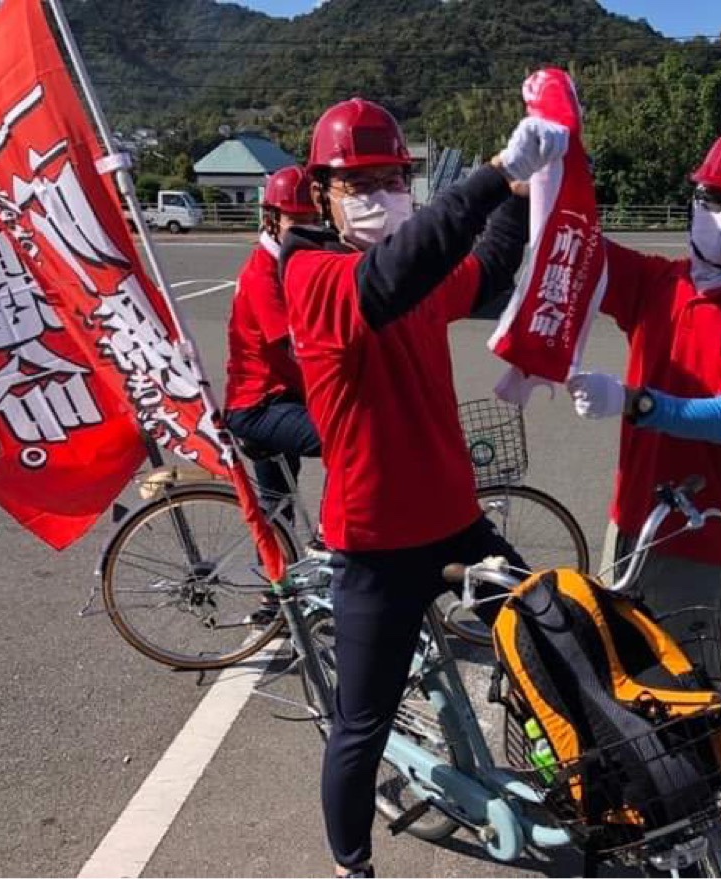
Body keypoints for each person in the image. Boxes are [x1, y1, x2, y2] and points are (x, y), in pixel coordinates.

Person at [279, 98, 567, 877]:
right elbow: (400, 266)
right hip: (374, 546)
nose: (381, 193)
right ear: (321, 194)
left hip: (456, 523)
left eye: (394, 178)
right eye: (359, 181)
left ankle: (560, 779)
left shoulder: (406, 280)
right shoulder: (315, 277)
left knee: (548, 636)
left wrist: (521, 194)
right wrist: (496, 173)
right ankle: (351, 864)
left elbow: (482, 266)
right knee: (361, 724)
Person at [566, 126, 721, 674]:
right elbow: (577, 250)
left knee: (695, 710)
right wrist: (544, 178)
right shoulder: (660, 283)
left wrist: (632, 402)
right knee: (619, 695)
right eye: (712, 201)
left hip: (707, 541)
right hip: (630, 522)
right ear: (693, 201)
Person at [224, 165, 322, 518]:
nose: (307, 228)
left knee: (278, 509)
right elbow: (295, 347)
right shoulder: (262, 273)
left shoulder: (290, 262)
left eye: (313, 218)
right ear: (271, 219)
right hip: (258, 405)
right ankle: (338, 534)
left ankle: (282, 568)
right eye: (296, 220)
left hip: (285, 397)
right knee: (348, 438)